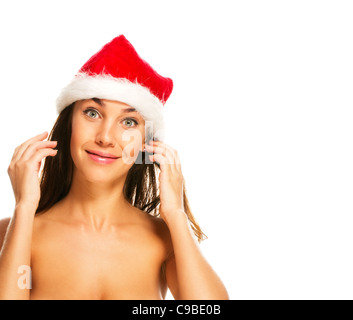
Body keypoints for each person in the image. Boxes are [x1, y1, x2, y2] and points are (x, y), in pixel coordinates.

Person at [0, 35, 229, 300]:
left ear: (147, 142)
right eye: (92, 113)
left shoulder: (164, 241)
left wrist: (176, 214)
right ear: (68, 124)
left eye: (129, 122)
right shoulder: (16, 231)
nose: (106, 138)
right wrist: (25, 206)